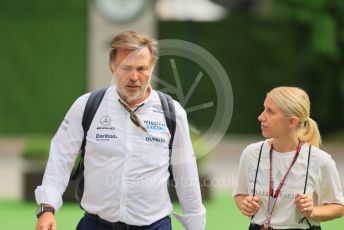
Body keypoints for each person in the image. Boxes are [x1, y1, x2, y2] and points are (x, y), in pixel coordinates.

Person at [35, 31, 206, 230]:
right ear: (112, 67)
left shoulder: (172, 112)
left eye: (142, 68)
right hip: (95, 225)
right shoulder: (87, 106)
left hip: (153, 226)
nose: (134, 77)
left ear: (152, 68)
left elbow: (186, 173)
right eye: (126, 68)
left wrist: (196, 225)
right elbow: (60, 158)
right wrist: (47, 209)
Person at [233, 86, 344, 229]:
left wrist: (313, 212)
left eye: (270, 111)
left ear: (292, 122)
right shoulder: (251, 153)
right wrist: (245, 204)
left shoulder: (320, 160)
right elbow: (240, 194)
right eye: (264, 108)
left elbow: (338, 207)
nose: (260, 117)